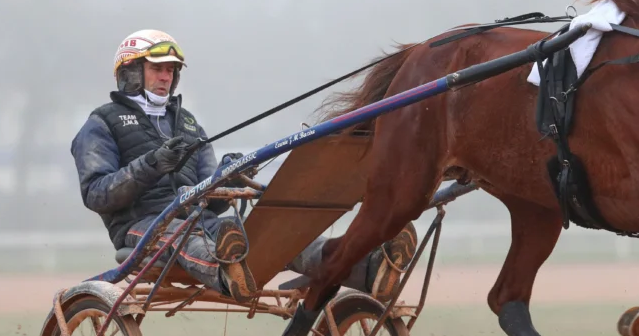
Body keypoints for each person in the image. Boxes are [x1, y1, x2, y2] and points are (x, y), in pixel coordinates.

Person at [70, 29, 416, 302]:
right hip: (141, 227)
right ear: (131, 72)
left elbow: (214, 198)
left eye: (171, 71)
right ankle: (230, 275)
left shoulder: (188, 124)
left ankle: (367, 271)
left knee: (272, 234)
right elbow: (97, 194)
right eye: (157, 69)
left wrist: (231, 174)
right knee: (182, 233)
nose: (166, 77)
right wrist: (152, 164)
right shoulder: (102, 123)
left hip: (201, 222)